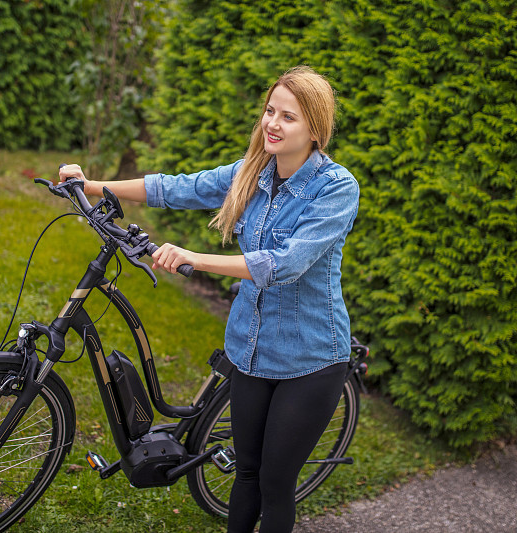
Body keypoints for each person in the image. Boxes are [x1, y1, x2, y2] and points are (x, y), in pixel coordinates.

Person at [59, 65, 359, 533]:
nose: (273, 124)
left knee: (276, 484)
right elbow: (176, 187)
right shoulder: (252, 171)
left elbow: (284, 264)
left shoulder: (337, 188)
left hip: (312, 358)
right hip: (250, 350)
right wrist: (91, 186)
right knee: (246, 472)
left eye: (289, 117)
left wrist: (192, 258)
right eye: (269, 111)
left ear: (316, 129)